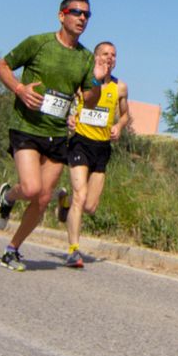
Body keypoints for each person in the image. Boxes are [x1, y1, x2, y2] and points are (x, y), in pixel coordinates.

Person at [0, 0, 105, 272]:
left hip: (56, 133)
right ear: (61, 15)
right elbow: (1, 66)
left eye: (87, 15)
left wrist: (97, 83)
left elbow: (90, 99)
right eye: (76, 12)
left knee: (42, 198)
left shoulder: (86, 58)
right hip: (26, 127)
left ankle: (12, 249)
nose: (82, 18)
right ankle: (6, 197)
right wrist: (19, 89)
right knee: (31, 188)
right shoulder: (38, 43)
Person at [59, 41, 131, 267]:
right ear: (96, 56)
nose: (110, 58)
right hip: (80, 141)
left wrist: (119, 127)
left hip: (102, 147)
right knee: (80, 195)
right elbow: (68, 103)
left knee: (90, 206)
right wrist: (69, 117)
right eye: (105, 54)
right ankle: (73, 250)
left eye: (114, 55)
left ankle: (64, 202)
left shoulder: (120, 87)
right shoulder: (85, 82)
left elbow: (126, 115)